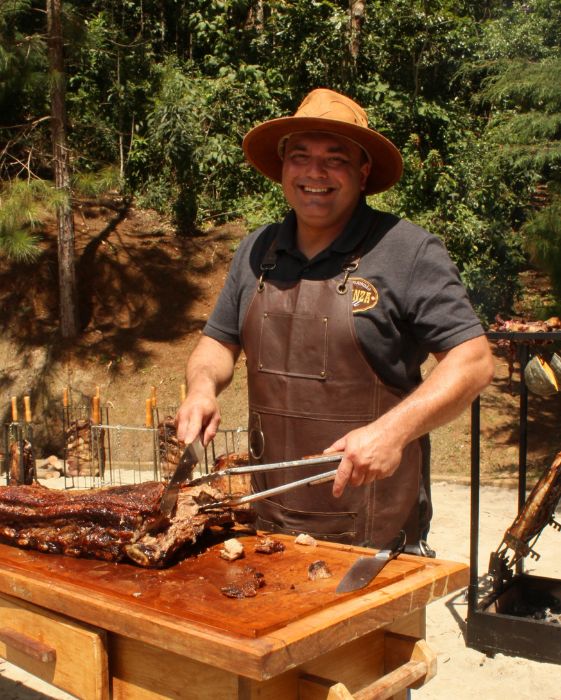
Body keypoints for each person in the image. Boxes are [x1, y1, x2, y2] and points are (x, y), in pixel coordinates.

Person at [176, 88, 494, 551]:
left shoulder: (408, 251)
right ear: (283, 168)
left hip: (377, 538)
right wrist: (201, 388)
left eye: (336, 159)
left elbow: (474, 361)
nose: (315, 173)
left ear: (364, 172)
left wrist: (393, 431)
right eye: (300, 156)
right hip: (268, 528)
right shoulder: (255, 252)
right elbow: (218, 343)